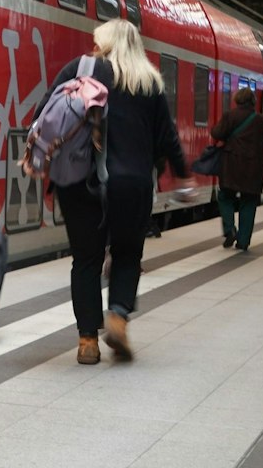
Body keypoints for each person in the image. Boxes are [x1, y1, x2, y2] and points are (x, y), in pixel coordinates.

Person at [43, 19, 192, 364]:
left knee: (86, 260)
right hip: (133, 183)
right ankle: (118, 317)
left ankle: (87, 342)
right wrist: (182, 175)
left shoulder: (79, 69)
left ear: (105, 43)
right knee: (127, 254)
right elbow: (167, 137)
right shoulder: (149, 82)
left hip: (80, 181)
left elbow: (44, 117)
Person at [209, 86, 263, 253]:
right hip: (253, 168)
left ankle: (229, 230)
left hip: (231, 166)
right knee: (249, 202)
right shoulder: (261, 120)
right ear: (253, 101)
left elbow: (216, 133)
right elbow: (262, 146)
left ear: (237, 100)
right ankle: (243, 241)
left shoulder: (230, 116)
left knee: (225, 197)